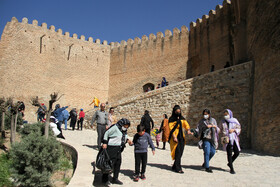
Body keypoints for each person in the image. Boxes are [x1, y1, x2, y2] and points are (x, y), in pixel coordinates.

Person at [101, 118, 132, 186]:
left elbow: (124, 137)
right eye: (125, 126)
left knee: (118, 163)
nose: (126, 127)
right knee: (109, 163)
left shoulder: (123, 130)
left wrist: (128, 141)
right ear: (122, 124)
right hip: (111, 148)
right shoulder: (115, 127)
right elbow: (106, 133)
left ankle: (115, 178)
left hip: (119, 148)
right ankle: (105, 179)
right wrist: (105, 143)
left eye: (127, 126)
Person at [169, 105, 192, 173]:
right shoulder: (171, 119)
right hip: (175, 136)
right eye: (177, 111)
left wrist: (188, 130)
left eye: (179, 111)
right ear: (174, 111)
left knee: (181, 151)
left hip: (181, 136)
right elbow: (171, 129)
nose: (178, 112)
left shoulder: (182, 118)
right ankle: (178, 168)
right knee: (177, 152)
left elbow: (186, 124)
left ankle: (174, 165)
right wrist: (174, 137)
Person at [219, 109, 241, 174]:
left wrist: (234, 130)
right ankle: (231, 168)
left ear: (230, 114)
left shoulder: (234, 121)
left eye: (227, 114)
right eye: (224, 115)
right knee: (229, 153)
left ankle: (229, 163)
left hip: (233, 138)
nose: (225, 116)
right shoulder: (222, 121)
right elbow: (219, 128)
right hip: (226, 139)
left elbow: (239, 128)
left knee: (237, 152)